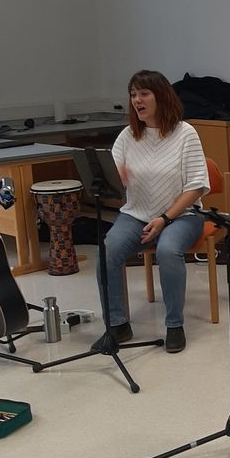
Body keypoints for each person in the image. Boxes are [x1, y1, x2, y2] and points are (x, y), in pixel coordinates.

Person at [93, 70, 209, 354]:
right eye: (133, 95)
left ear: (161, 96)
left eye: (144, 94)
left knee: (168, 251)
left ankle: (174, 325)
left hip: (182, 216)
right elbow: (113, 177)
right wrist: (115, 178)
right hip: (136, 214)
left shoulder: (185, 133)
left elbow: (196, 187)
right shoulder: (128, 136)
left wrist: (165, 219)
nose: (137, 100)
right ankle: (117, 325)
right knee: (107, 251)